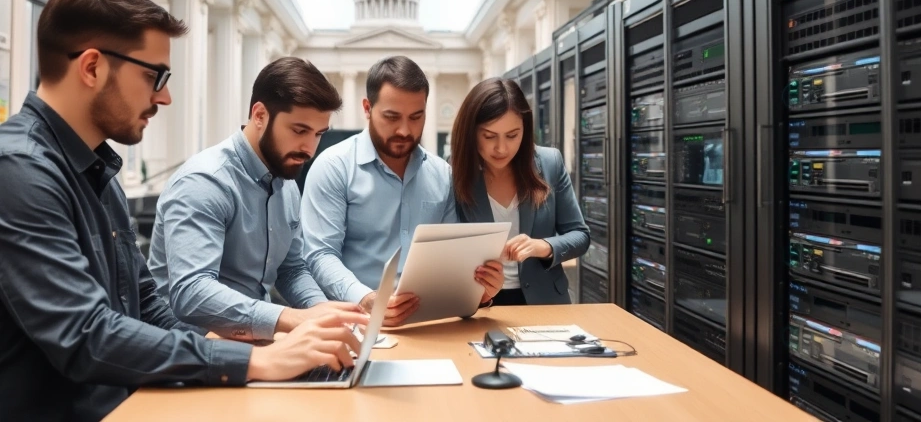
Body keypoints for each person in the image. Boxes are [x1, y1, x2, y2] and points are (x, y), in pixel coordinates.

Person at [0, 0, 366, 422]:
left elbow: (144, 303)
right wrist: (255, 361)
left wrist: (253, 356)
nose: (165, 96)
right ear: (91, 68)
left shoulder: (96, 171)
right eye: (154, 76)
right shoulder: (13, 173)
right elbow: (86, 334)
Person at [147, 57, 362, 341]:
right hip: (190, 351)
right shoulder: (204, 181)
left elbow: (291, 268)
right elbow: (192, 292)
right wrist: (292, 319)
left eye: (318, 134)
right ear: (259, 115)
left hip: (256, 342)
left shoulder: (286, 183)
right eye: (299, 131)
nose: (309, 148)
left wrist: (322, 311)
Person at [301, 56, 503, 326]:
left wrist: (479, 291)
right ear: (367, 108)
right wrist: (367, 298)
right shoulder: (333, 167)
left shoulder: (442, 174)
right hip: (354, 324)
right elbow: (320, 255)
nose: (405, 130)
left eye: (416, 117)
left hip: (428, 325)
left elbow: (451, 260)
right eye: (391, 117)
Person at [449, 77, 590, 306]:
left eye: (512, 135)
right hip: (481, 303)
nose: (501, 148)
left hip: (544, 304)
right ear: (471, 132)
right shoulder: (456, 174)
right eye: (489, 136)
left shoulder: (549, 163)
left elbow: (580, 236)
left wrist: (542, 246)